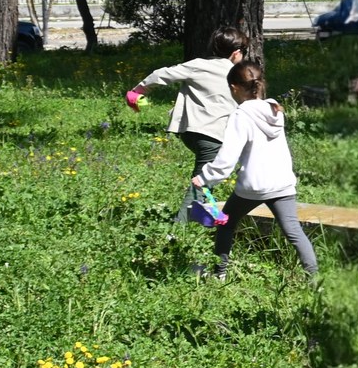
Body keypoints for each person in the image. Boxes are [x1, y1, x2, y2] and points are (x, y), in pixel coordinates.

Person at [194, 62, 319, 277]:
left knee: (226, 223)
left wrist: (205, 177)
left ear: (234, 88)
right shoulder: (274, 110)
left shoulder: (241, 116)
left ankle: (219, 274)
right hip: (282, 183)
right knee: (294, 232)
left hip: (254, 186)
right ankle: (315, 281)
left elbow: (227, 158)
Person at [128, 26, 247, 206]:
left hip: (189, 132)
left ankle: (207, 215)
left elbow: (160, 75)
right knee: (202, 181)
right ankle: (184, 223)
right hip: (213, 135)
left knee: (208, 176)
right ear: (237, 53)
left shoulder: (198, 65)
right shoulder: (238, 74)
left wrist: (137, 91)